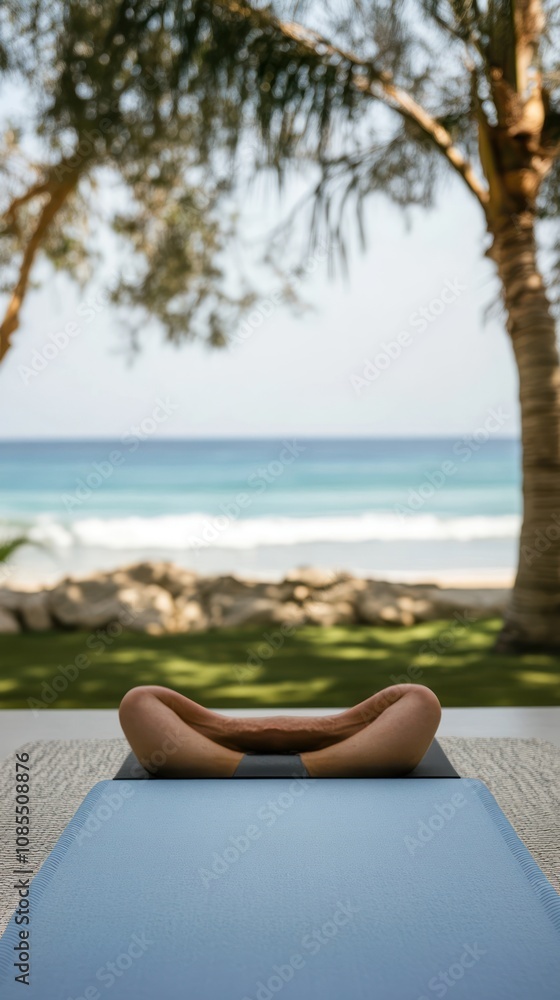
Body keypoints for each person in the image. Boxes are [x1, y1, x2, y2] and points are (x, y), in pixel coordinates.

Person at [118, 682, 442, 778]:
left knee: (419, 698)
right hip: (214, 740)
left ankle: (336, 732)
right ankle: (224, 733)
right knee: (139, 699)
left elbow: (419, 704)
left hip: (206, 754)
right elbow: (141, 704)